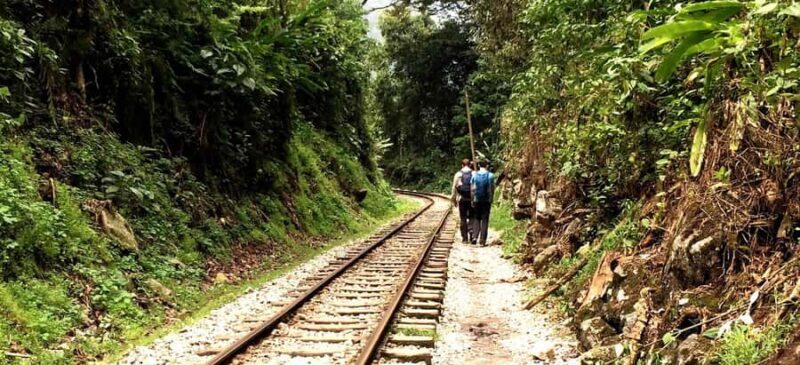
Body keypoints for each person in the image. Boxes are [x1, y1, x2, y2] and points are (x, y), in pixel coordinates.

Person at [470, 159, 495, 246]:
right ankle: (482, 241)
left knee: (477, 218)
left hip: (477, 200)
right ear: (487, 166)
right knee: (485, 219)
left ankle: (474, 237)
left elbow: (472, 189)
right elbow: (492, 189)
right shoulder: (491, 176)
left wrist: (472, 200)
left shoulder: (474, 175)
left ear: (479, 166)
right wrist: (491, 198)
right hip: (486, 200)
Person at [450, 159, 473, 243]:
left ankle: (464, 238)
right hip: (471, 199)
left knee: (463, 218)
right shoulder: (474, 173)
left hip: (461, 199)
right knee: (471, 217)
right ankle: (472, 235)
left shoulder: (458, 174)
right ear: (470, 165)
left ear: (462, 165)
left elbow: (454, 188)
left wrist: (453, 199)